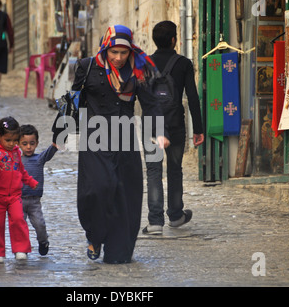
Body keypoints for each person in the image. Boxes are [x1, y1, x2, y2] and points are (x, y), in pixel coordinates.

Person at [53, 25, 170, 264]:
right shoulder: (87, 66)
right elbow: (75, 99)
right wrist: (62, 132)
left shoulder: (139, 69)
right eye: (113, 52)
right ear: (105, 48)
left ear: (130, 52)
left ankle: (118, 249)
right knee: (96, 190)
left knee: (124, 196)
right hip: (94, 138)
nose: (118, 58)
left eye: (123, 53)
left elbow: (151, 104)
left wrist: (158, 132)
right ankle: (95, 236)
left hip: (125, 139)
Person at [142, 20, 204, 235]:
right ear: (173, 40)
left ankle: (155, 222)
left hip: (152, 124)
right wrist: (198, 128)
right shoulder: (184, 63)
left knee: (153, 171)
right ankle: (176, 215)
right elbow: (193, 97)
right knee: (175, 169)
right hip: (176, 123)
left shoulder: (145, 63)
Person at [0, 117, 38, 263]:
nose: (12, 144)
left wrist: (30, 181)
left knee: (19, 220)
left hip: (14, 195)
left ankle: (21, 248)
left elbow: (21, 170)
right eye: (8, 140)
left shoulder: (16, 152)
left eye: (15, 140)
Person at [19, 124, 58, 256]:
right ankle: (22, 248)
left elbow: (50, 151)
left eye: (32, 143)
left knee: (39, 224)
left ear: (36, 143)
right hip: (18, 201)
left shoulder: (39, 159)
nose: (28, 147)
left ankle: (43, 241)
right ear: (18, 144)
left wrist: (56, 142)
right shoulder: (16, 160)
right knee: (19, 226)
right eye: (24, 144)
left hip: (34, 201)